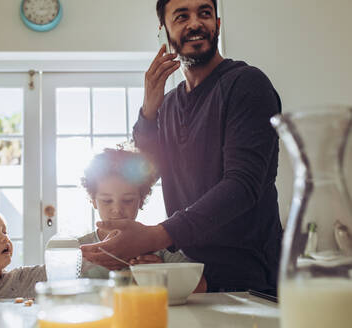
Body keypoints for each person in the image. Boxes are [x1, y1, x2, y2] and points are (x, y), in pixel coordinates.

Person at [81, 0, 282, 293]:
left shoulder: (247, 84)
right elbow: (145, 171)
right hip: (191, 275)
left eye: (204, 13)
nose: (195, 23)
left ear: (218, 25)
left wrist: (156, 236)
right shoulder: (171, 103)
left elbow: (242, 185)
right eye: (181, 16)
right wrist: (149, 109)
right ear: (163, 33)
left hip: (251, 280)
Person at [78, 148, 207, 288]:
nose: (117, 210)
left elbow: (200, 286)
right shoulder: (79, 249)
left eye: (127, 201)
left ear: (141, 200)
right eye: (107, 201)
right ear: (93, 201)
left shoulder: (157, 245)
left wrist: (161, 272)